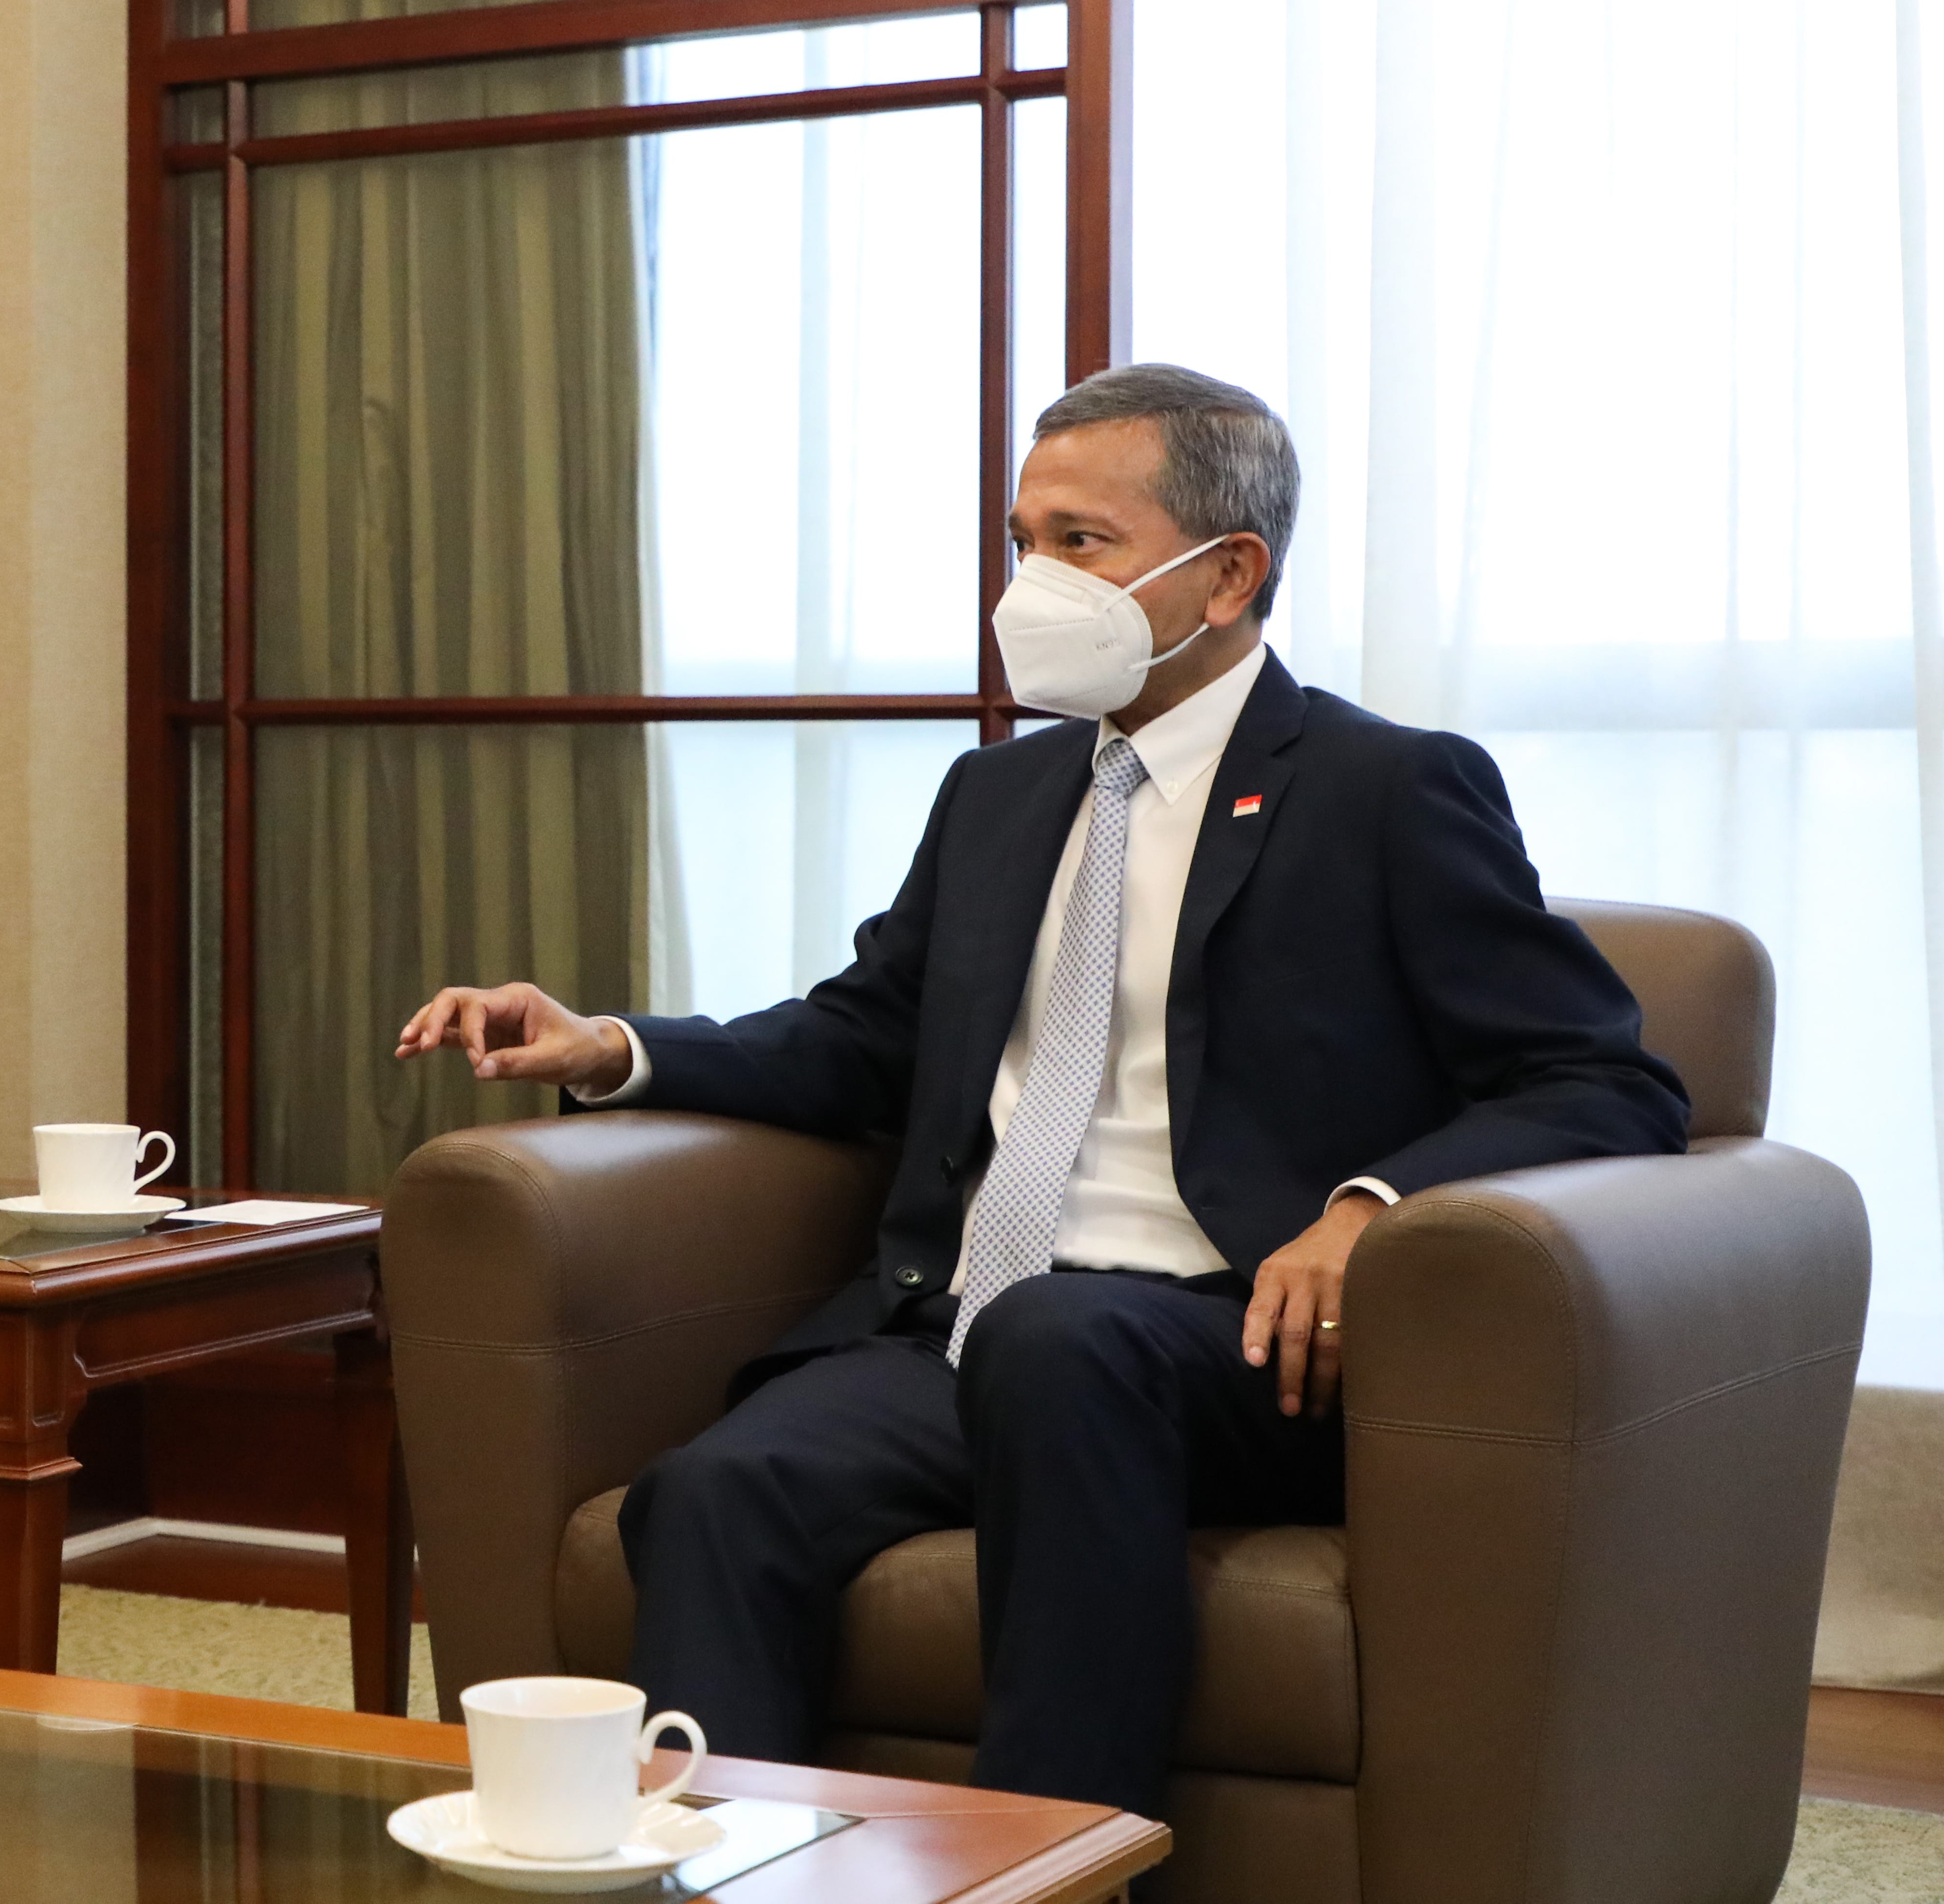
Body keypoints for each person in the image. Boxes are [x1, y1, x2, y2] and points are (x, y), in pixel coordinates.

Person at [394, 363, 1688, 1826]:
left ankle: (1051, 1871)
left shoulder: (1386, 788)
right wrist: (615, 1049)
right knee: (710, 1492)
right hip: (968, 1321)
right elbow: (865, 1037)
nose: (1032, 583)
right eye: (1023, 540)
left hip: (1223, 1341)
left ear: (1229, 576)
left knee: (1059, 1342)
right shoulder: (998, 795)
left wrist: (1366, 1208)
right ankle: (727, 1870)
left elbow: (1601, 1074)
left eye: (1082, 542)